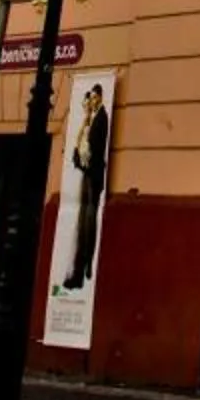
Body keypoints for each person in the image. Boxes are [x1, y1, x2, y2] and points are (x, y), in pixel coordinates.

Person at [60, 82, 109, 292]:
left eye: (95, 97)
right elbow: (80, 140)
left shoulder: (102, 117)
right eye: (90, 98)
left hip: (94, 173)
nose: (91, 101)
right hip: (87, 172)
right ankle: (78, 269)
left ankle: (87, 262)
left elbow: (95, 148)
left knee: (89, 218)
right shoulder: (91, 117)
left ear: (100, 97)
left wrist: (83, 161)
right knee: (82, 218)